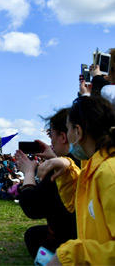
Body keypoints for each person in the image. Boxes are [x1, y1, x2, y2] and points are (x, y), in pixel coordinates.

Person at [37, 96, 115, 265]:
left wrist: (71, 256)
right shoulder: (94, 167)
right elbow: (75, 202)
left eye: (68, 129)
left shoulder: (109, 173)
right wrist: (66, 168)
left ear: (78, 132)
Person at [15, 108, 77, 259]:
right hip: (90, 234)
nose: (51, 141)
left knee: (33, 236)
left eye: (52, 135)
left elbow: (33, 208)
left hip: (72, 240)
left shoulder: (61, 169)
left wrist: (29, 172)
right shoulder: (89, 161)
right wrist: (54, 155)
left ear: (63, 136)